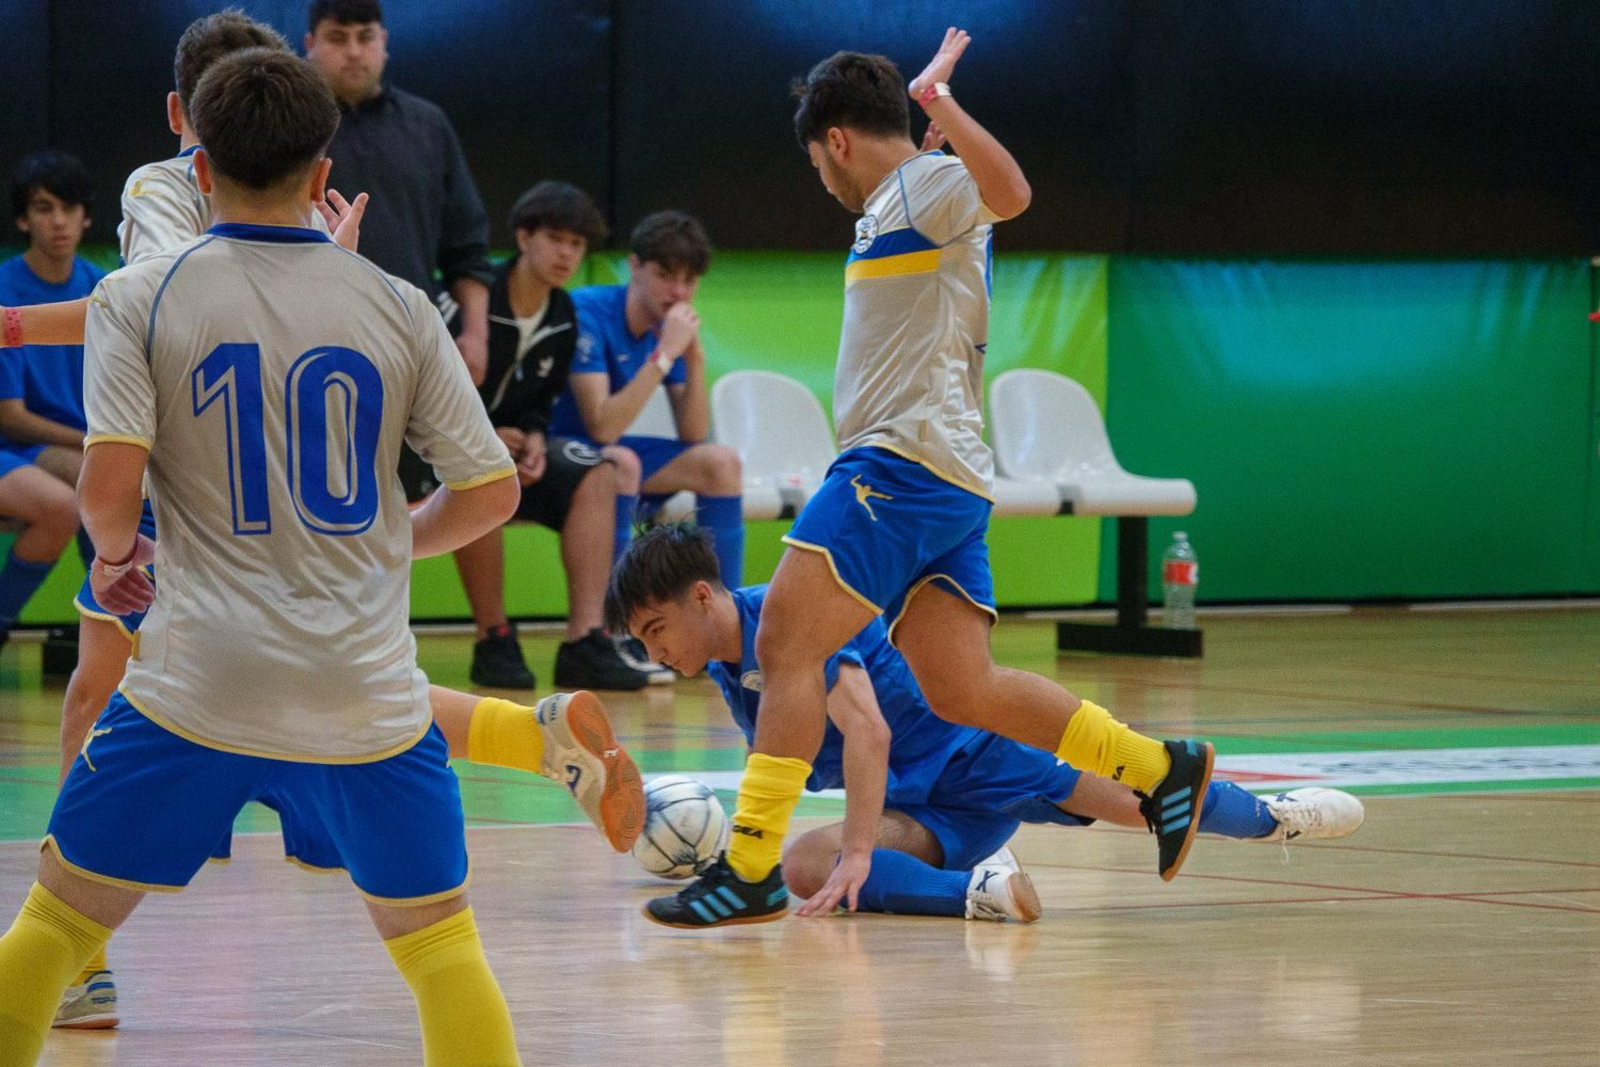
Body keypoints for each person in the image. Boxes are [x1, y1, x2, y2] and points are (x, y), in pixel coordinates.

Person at [39, 13, 642, 1034]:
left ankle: (79, 951)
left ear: (189, 117)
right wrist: (321, 267)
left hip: (185, 496)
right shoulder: (368, 279)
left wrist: (10, 328)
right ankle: (526, 733)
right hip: (302, 477)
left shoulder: (157, 189)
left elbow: (146, 307)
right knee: (342, 691)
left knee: (108, 697)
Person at [647, 32, 1218, 928]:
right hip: (941, 474)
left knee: (786, 646)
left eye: (816, 161)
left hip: (897, 463)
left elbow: (1013, 193)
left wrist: (939, 109)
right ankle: (1159, 768)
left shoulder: (922, 184)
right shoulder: (903, 201)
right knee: (964, 688)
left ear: (835, 140)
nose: (820, 181)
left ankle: (751, 863)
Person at [611, 525, 1366, 926]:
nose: (654, 651)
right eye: (642, 641)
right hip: (927, 806)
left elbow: (867, 733)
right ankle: (981, 892)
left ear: (704, 597)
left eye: (655, 628)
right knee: (808, 864)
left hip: (977, 752)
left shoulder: (792, 621)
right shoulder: (722, 666)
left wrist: (861, 849)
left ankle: (1273, 818)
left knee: (1142, 803)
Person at [452, 181, 664, 690]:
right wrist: (486, 433)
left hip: (511, 447)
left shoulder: (564, 315)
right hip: (451, 447)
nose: (567, 253)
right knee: (480, 467)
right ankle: (494, 637)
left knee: (599, 471)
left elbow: (540, 403)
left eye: (577, 244)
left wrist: (533, 439)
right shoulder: (473, 301)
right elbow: (430, 390)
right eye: (555, 239)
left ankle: (585, 641)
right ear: (523, 237)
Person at [304, 0, 495, 510]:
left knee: (477, 485)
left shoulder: (428, 125)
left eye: (365, 37)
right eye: (337, 38)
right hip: (307, 347)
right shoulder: (289, 125)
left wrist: (475, 332)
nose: (353, 52)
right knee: (327, 503)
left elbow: (467, 245)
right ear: (309, 45)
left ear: (385, 43)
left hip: (414, 346)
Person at [549, 211, 745, 589]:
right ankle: (614, 629)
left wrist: (694, 357)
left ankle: (725, 620)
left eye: (689, 281)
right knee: (622, 463)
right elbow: (602, 426)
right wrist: (665, 355)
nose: (678, 293)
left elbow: (692, 434)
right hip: (554, 448)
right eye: (665, 276)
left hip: (610, 453)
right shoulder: (587, 311)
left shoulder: (665, 328)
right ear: (634, 266)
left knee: (721, 464)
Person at [0, 152, 102, 652]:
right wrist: (95, 441)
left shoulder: (102, 289)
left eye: (68, 207)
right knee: (73, 498)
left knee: (112, 484)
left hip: (63, 448)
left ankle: (121, 627)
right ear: (23, 219)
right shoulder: (4, 290)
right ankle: (116, 624)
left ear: (86, 216)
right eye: (43, 208)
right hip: (13, 445)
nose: (58, 221)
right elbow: (11, 417)